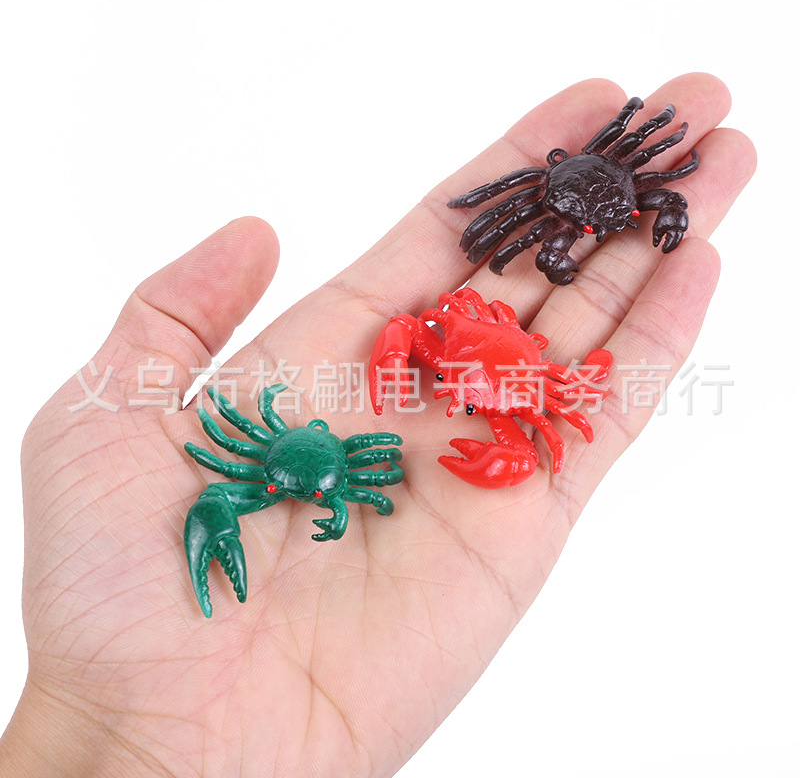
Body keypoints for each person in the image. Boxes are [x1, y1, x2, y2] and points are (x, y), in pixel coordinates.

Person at [0, 74, 754, 777]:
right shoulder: (447, 335)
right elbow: (419, 327)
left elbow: (571, 402)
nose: (451, 400)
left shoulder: (505, 392)